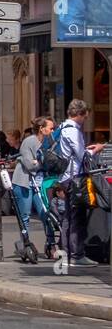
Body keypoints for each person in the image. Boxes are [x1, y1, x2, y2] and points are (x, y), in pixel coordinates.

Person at [55, 99, 103, 268]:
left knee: (68, 216)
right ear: (80, 114)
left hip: (64, 177)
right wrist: (95, 150)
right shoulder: (73, 131)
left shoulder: (61, 127)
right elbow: (82, 156)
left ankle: (66, 253)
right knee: (78, 217)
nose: (85, 120)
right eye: (85, 117)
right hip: (75, 178)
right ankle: (77, 255)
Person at [13, 116, 57, 257]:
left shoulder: (50, 141)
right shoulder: (28, 142)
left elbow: (50, 161)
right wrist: (41, 162)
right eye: (50, 128)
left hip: (39, 184)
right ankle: (26, 245)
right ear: (41, 129)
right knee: (25, 216)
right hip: (24, 183)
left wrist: (38, 161)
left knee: (46, 214)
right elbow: (29, 165)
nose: (53, 130)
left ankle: (51, 245)